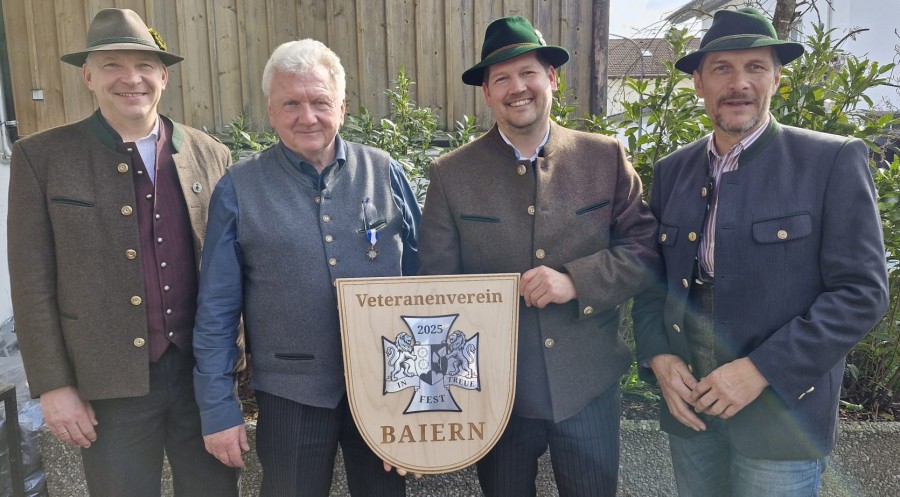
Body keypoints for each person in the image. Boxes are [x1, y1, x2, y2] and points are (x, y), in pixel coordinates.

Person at [631, 8, 889, 496]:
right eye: (721, 69)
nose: (739, 83)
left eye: (755, 67)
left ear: (777, 78)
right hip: (692, 411)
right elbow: (652, 282)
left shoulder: (831, 159)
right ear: (698, 83)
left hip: (782, 417)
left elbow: (862, 294)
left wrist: (760, 371)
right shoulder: (672, 170)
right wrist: (659, 355)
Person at [417, 16, 659, 497]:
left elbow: (645, 252)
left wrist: (576, 280)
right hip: (497, 392)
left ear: (551, 78)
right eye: (501, 78)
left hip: (589, 384)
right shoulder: (451, 174)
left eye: (528, 72)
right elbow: (436, 290)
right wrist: (428, 405)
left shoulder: (605, 157)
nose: (517, 88)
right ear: (487, 94)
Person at [7, 8, 240, 497]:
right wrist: (53, 384)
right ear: (88, 76)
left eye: (144, 66)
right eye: (112, 65)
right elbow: (30, 283)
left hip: (202, 378)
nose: (130, 79)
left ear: (163, 77)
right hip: (106, 383)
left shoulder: (210, 153)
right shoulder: (41, 157)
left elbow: (232, 268)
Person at [192, 38, 419, 496]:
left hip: (389, 387)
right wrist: (217, 407)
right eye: (291, 104)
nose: (307, 117)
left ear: (342, 107)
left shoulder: (385, 172)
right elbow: (217, 308)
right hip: (290, 393)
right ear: (271, 111)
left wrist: (426, 399)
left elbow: (425, 283)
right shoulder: (238, 188)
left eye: (320, 102)